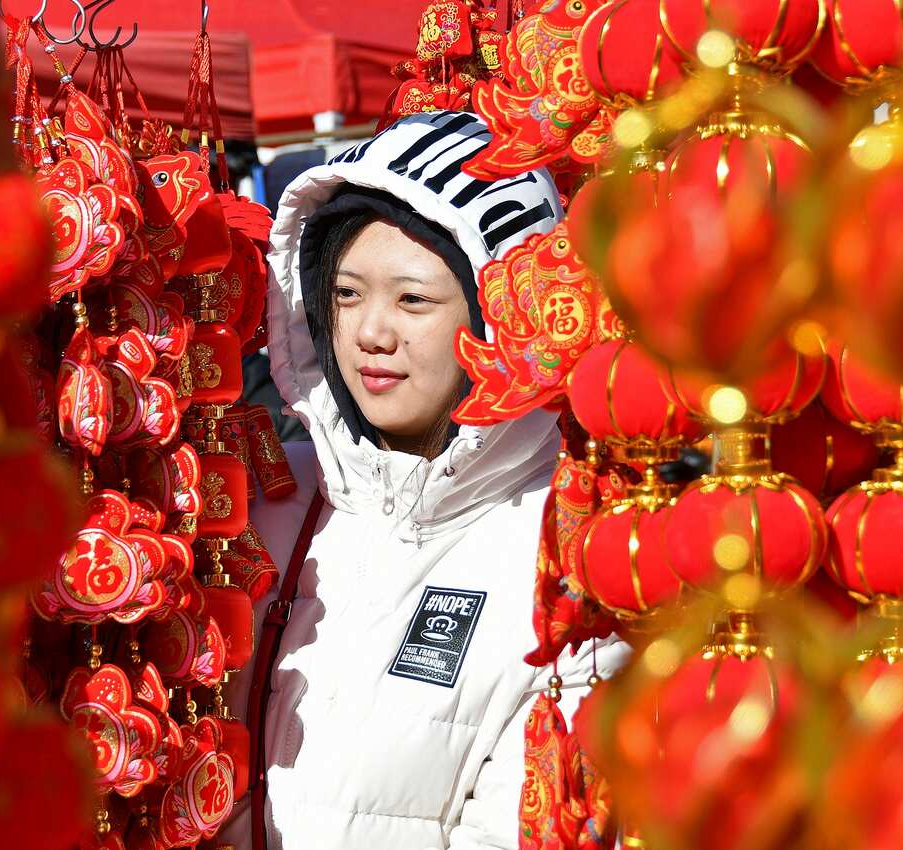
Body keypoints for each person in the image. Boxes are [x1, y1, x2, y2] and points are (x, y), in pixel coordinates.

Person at [217, 111, 626, 850]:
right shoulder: (271, 499)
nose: (372, 331)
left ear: (500, 319)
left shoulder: (568, 551)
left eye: (413, 300)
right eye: (346, 294)